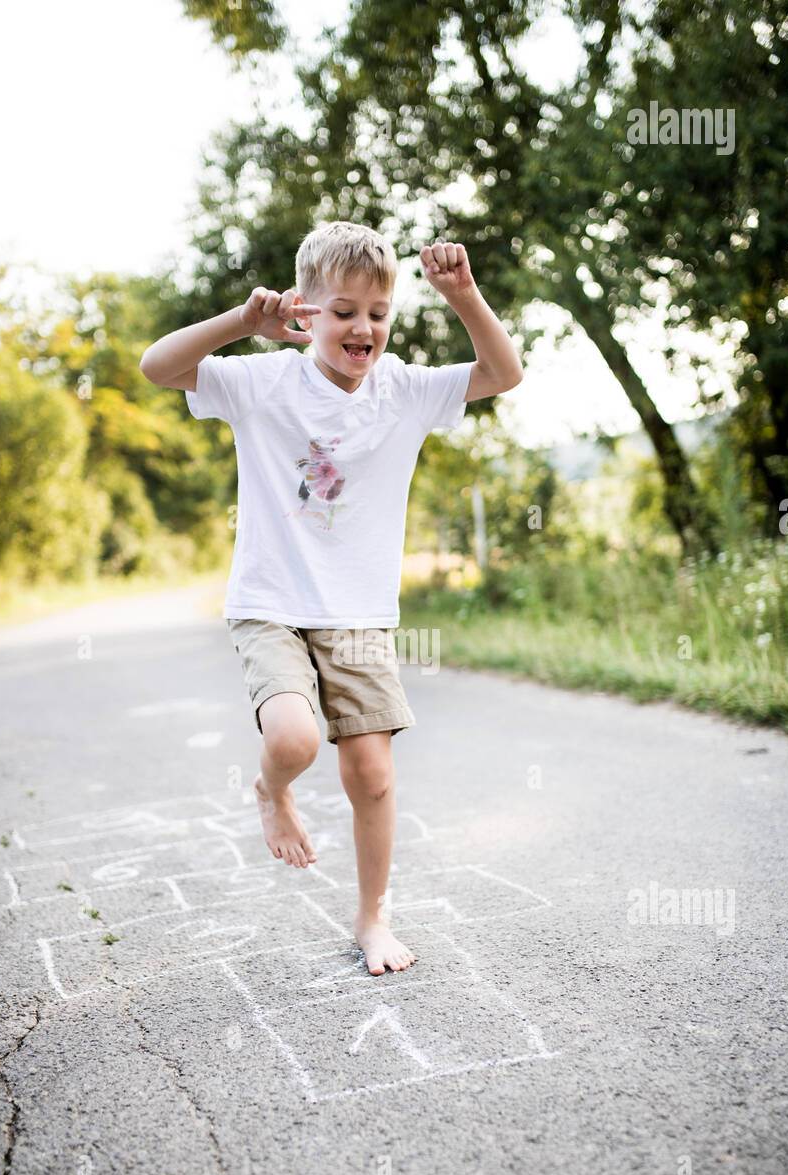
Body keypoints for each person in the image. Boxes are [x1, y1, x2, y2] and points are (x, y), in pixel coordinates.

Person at [139, 221, 523, 974]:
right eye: (343, 310)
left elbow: (502, 373)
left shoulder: (405, 391)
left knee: (371, 775)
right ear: (306, 311)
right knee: (292, 741)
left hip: (360, 615)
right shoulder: (263, 382)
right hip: (272, 602)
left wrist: (465, 295)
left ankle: (373, 917)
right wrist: (243, 323)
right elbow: (157, 366)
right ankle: (270, 789)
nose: (364, 328)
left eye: (378, 313)